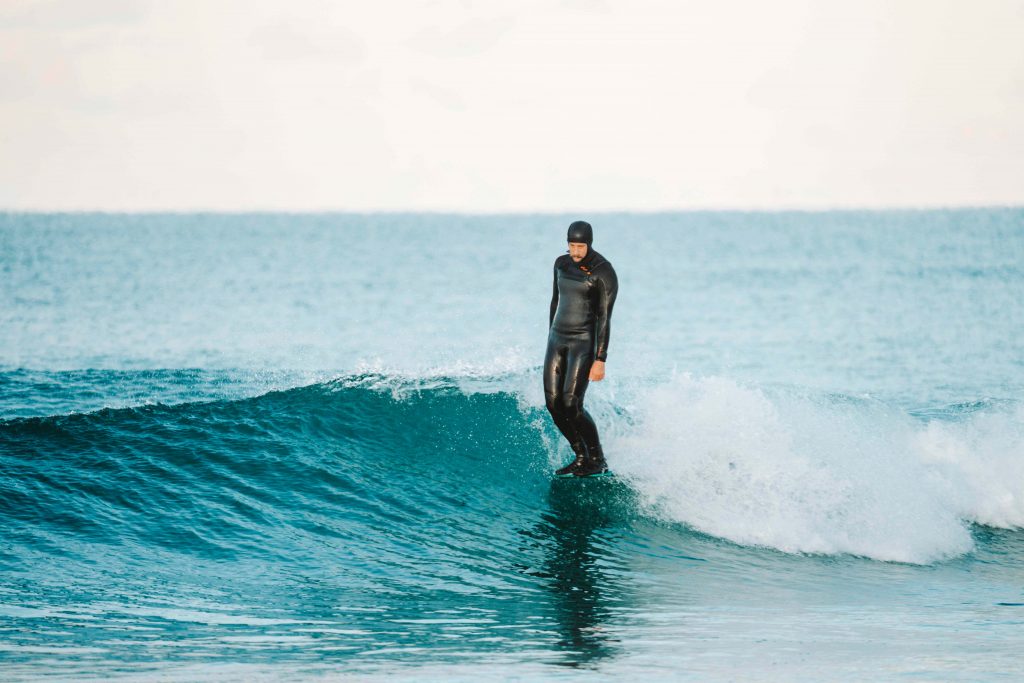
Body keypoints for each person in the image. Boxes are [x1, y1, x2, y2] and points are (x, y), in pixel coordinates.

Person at [545, 220, 619, 477]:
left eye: (580, 246)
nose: (575, 251)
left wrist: (601, 359)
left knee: (571, 403)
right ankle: (580, 455)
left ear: (589, 243)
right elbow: (555, 300)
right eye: (572, 245)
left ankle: (597, 458)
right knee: (553, 404)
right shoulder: (561, 264)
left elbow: (604, 318)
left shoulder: (603, 271)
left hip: (582, 342)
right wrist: (550, 336)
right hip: (557, 340)